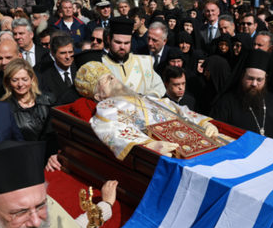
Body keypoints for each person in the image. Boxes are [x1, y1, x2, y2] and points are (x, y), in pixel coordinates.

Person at [74, 61, 218, 160]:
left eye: (110, 75)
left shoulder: (142, 97)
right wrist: (148, 145)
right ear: (99, 96)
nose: (112, 77)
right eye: (103, 81)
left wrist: (204, 124)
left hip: (194, 140)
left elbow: (175, 108)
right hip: (171, 152)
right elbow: (111, 130)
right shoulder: (106, 108)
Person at [211, 49, 273, 143]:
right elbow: (218, 134)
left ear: (266, 79)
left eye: (259, 80)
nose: (254, 83)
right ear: (242, 76)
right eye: (250, 78)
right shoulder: (226, 102)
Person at [0, 59, 59, 170]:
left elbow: (57, 133)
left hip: (53, 161)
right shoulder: (3, 108)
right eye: (15, 80)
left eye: (24, 79)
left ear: (32, 79)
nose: (20, 84)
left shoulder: (49, 99)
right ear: (8, 82)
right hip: (24, 164)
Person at [102, 17, 166, 98]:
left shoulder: (144, 62)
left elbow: (159, 87)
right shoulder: (101, 64)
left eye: (127, 43)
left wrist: (146, 99)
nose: (122, 47)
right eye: (118, 42)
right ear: (109, 39)